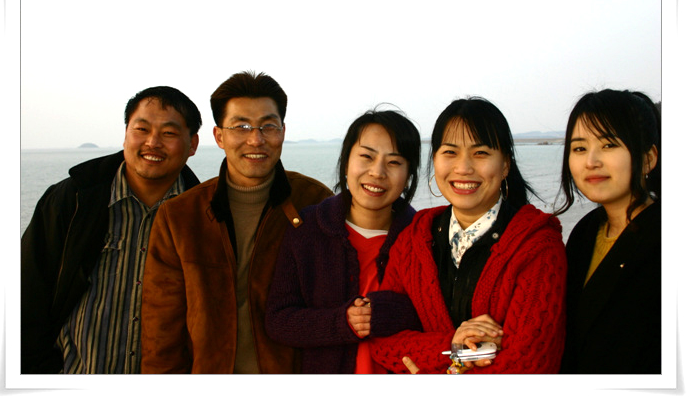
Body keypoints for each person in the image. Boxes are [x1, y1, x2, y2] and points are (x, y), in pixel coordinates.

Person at [140, 70, 333, 374]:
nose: (256, 139)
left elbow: (335, 309)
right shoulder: (179, 217)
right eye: (241, 126)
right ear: (219, 136)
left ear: (282, 132)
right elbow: (161, 335)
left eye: (268, 126)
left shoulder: (316, 202)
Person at [369, 96, 567, 374]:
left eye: (481, 153)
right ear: (434, 160)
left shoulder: (537, 246)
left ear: (505, 164)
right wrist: (452, 345)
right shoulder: (413, 240)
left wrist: (433, 368)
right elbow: (381, 340)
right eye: (450, 152)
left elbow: (529, 365)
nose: (463, 168)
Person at [21, 86, 202, 374]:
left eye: (168, 133)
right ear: (126, 134)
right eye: (141, 129)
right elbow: (27, 292)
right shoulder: (73, 200)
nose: (152, 142)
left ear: (192, 144)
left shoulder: (205, 216)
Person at [265, 108, 423, 374]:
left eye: (394, 162)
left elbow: (440, 316)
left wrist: (387, 314)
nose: (377, 172)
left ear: (408, 175)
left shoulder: (423, 237)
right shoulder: (308, 229)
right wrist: (342, 322)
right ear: (346, 161)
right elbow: (278, 321)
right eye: (366, 157)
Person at [555, 89, 661, 374]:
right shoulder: (585, 232)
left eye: (609, 144)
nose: (591, 161)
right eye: (579, 148)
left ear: (648, 158)